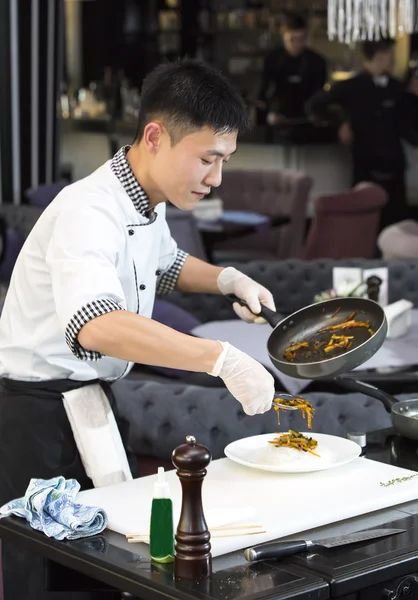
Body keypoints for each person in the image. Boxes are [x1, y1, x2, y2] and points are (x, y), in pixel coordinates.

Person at [0, 59, 277, 600]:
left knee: (108, 563)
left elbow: (164, 263)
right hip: (35, 415)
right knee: (48, 575)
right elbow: (97, 325)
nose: (216, 177)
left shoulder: (145, 200)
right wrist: (218, 357)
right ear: (155, 136)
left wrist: (225, 278)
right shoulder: (89, 210)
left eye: (225, 160)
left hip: (91, 399)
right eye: (207, 159)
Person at [307, 38, 418, 230]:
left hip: (394, 165)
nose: (393, 60)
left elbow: (406, 124)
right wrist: (340, 123)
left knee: (398, 224)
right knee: (364, 219)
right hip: (366, 163)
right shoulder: (352, 86)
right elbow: (314, 105)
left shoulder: (396, 88)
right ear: (381, 56)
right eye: (391, 54)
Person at [258, 11, 327, 143]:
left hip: (308, 123)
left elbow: (320, 94)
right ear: (283, 37)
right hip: (279, 121)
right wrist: (269, 114)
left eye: (301, 39)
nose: (297, 44)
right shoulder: (272, 60)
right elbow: (263, 92)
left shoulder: (317, 61)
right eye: (292, 39)